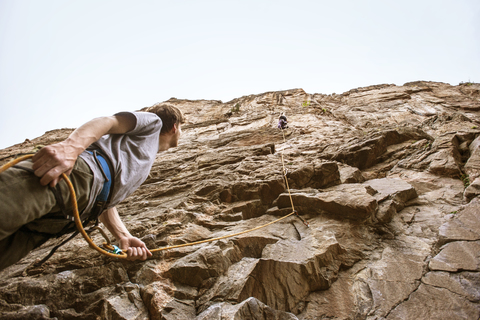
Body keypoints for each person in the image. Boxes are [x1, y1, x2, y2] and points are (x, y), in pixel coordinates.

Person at [0, 103, 184, 270]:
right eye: (182, 128)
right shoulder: (154, 122)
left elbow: (107, 198)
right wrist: (71, 147)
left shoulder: (138, 154)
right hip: (72, 178)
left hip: (66, 217)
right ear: (174, 127)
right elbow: (108, 122)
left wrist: (123, 236)